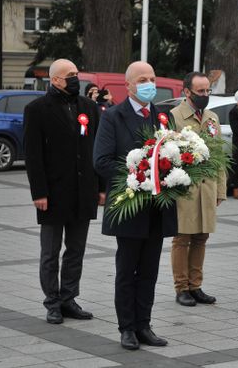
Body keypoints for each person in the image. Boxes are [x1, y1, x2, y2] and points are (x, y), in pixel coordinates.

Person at [94, 61, 177, 350]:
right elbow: (102, 161)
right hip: (130, 207)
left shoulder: (163, 117)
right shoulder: (112, 117)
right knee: (127, 270)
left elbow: (175, 156)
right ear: (128, 85)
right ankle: (127, 327)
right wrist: (139, 176)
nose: (149, 83)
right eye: (142, 79)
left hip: (157, 209)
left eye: (152, 78)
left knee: (150, 271)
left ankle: (144, 325)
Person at [24, 58, 102, 325]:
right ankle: (52, 302)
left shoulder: (89, 107)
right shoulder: (37, 109)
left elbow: (96, 150)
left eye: (76, 74)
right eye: (70, 75)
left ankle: (69, 298)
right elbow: (33, 155)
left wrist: (100, 188)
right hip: (53, 193)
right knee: (50, 252)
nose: (75, 78)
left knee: (76, 250)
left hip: (83, 191)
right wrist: (39, 193)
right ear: (55, 79)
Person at [170, 71, 226, 307]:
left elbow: (219, 156)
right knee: (182, 238)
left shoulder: (212, 117)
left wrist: (221, 189)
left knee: (201, 237)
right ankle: (181, 287)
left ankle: (196, 285)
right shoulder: (175, 116)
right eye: (200, 91)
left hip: (208, 186)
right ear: (187, 92)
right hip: (186, 187)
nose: (205, 95)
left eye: (207, 91)